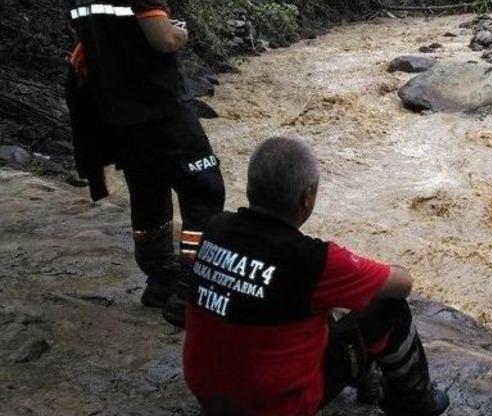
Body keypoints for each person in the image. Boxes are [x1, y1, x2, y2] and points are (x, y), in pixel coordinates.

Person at [182, 136, 449, 416]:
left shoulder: (215, 228)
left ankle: (367, 380)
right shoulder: (313, 260)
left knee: (313, 303)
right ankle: (415, 405)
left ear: (250, 187)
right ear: (307, 197)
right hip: (278, 407)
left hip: (208, 393)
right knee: (388, 311)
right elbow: (402, 284)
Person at [67, 0, 225, 327]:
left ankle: (159, 281)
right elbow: (161, 38)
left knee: (148, 190)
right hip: (159, 105)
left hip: (114, 110)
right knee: (205, 189)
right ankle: (190, 291)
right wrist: (181, 33)